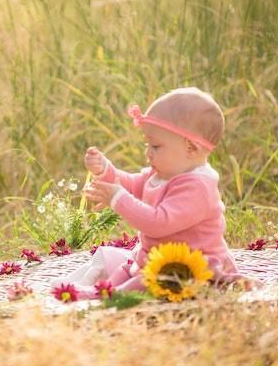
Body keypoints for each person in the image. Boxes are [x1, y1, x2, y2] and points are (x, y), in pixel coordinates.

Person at [53, 87, 254, 299]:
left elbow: (158, 223)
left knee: (139, 285)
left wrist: (117, 198)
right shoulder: (163, 173)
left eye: (156, 146)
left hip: (187, 271)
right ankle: (94, 287)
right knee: (118, 263)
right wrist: (105, 171)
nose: (148, 152)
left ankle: (104, 295)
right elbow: (132, 184)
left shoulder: (197, 187)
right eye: (147, 144)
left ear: (191, 148)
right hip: (155, 260)